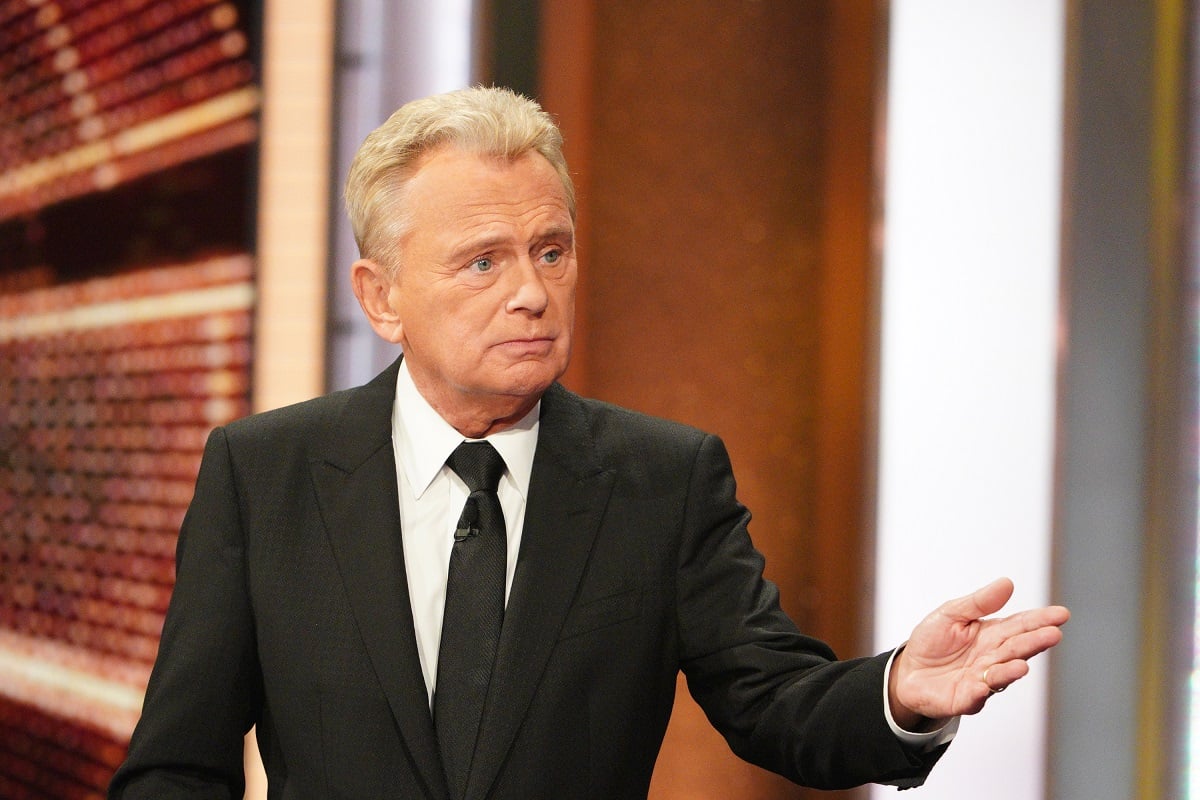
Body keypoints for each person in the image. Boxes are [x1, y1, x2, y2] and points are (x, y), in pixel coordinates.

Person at [108, 86, 1069, 799]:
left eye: (551, 251)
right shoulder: (264, 474)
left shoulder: (664, 478)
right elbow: (175, 768)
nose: (531, 292)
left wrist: (904, 691)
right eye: (483, 261)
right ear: (381, 296)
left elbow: (775, 702)